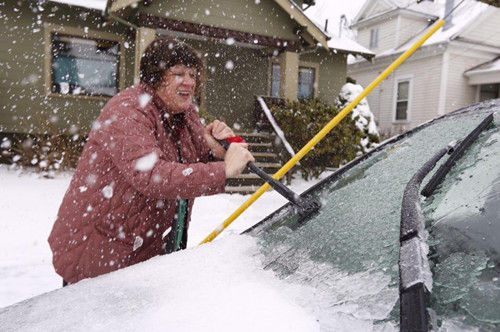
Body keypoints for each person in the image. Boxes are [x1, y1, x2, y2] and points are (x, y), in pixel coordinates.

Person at [48, 37, 254, 285]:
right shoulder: (127, 110)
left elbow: (189, 160)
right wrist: (223, 170)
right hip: (101, 253)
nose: (189, 81)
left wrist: (217, 150)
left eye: (192, 73)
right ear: (154, 77)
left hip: (146, 251)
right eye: (178, 73)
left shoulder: (183, 113)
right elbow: (152, 175)